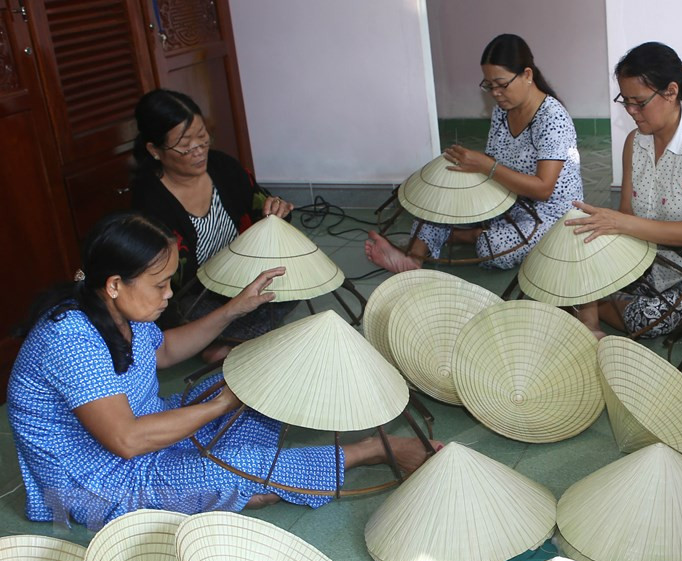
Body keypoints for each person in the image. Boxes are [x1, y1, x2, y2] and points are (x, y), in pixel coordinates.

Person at [7, 212, 440, 530]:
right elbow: (126, 440)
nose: (168, 295)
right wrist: (219, 407)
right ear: (115, 284)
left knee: (251, 378)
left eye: (170, 281)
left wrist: (236, 309)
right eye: (160, 285)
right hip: (96, 483)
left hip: (150, 428)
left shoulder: (118, 307)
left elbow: (164, 350)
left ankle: (245, 487)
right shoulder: (69, 338)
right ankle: (367, 452)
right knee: (230, 463)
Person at [567, 42, 682, 339]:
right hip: (654, 259)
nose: (631, 111)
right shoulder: (635, 143)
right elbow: (626, 215)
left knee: (644, 319)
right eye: (625, 101)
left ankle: (586, 308)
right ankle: (589, 314)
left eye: (639, 102)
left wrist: (620, 223)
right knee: (577, 271)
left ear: (671, 92)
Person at [366, 33, 582, 272]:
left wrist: (486, 167)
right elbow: (493, 161)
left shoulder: (552, 118)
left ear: (527, 75)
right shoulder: (503, 111)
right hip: (507, 198)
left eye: (502, 84)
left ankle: (464, 236)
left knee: (493, 248)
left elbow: (544, 188)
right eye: (489, 86)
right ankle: (414, 259)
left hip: (550, 214)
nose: (495, 93)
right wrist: (462, 171)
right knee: (436, 201)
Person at [131, 89, 294, 360]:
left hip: (242, 278)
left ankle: (225, 344)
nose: (198, 151)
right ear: (154, 150)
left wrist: (279, 209)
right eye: (185, 145)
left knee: (293, 282)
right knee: (195, 314)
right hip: (193, 296)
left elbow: (264, 207)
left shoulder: (223, 168)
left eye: (202, 138)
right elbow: (161, 287)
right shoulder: (150, 203)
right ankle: (215, 342)